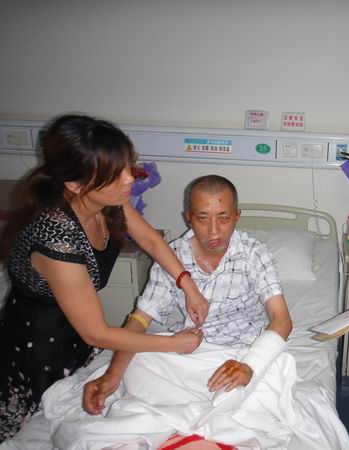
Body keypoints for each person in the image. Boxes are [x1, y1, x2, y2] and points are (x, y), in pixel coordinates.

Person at [0, 114, 208, 442]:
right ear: (76, 184)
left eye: (128, 165)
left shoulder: (109, 202)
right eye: (115, 174)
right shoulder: (55, 240)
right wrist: (173, 344)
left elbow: (151, 240)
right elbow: (96, 332)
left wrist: (188, 284)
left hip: (76, 335)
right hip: (37, 347)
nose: (129, 178)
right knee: (32, 427)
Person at [83, 174, 293, 415]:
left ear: (237, 216)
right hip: (188, 354)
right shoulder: (171, 257)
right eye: (202, 218)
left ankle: (192, 411)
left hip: (241, 354)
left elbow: (282, 320)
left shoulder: (254, 255)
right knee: (133, 363)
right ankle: (200, 411)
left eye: (223, 218)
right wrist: (112, 376)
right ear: (189, 218)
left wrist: (249, 366)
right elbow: (140, 319)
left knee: (278, 368)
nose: (213, 231)